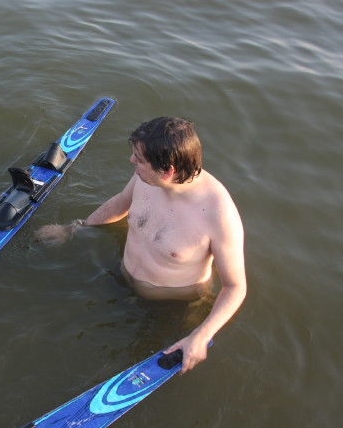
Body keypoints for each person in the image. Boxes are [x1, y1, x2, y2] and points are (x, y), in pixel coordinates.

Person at [36, 117, 246, 373]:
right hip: (119, 278)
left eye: (139, 159)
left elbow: (235, 287)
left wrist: (200, 336)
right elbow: (120, 203)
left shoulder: (218, 216)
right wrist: (74, 228)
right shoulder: (148, 178)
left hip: (172, 306)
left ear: (167, 171)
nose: (131, 161)